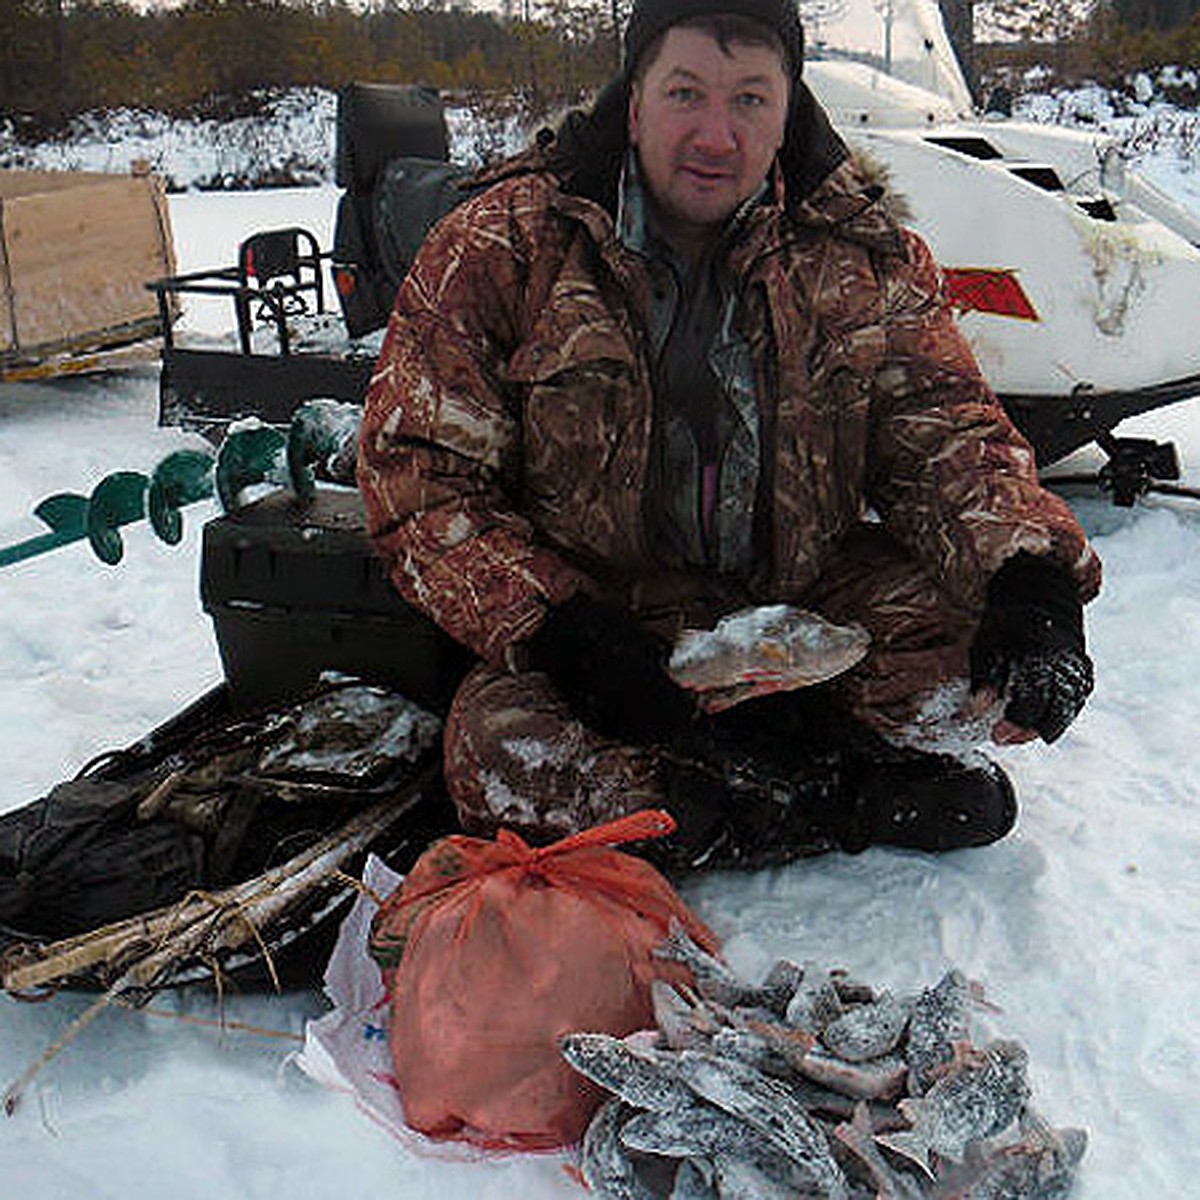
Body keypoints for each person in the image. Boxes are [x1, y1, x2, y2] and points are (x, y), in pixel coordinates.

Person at [357, 0, 1101, 870]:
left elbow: (947, 432)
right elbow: (419, 477)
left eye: (750, 99)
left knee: (975, 664)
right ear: (633, 102)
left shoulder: (864, 255)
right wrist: (560, 628)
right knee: (497, 753)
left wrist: (1032, 579)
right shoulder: (502, 245)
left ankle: (724, 796)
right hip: (611, 622)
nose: (716, 134)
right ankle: (840, 791)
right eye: (686, 94)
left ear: (790, 112)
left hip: (809, 599)